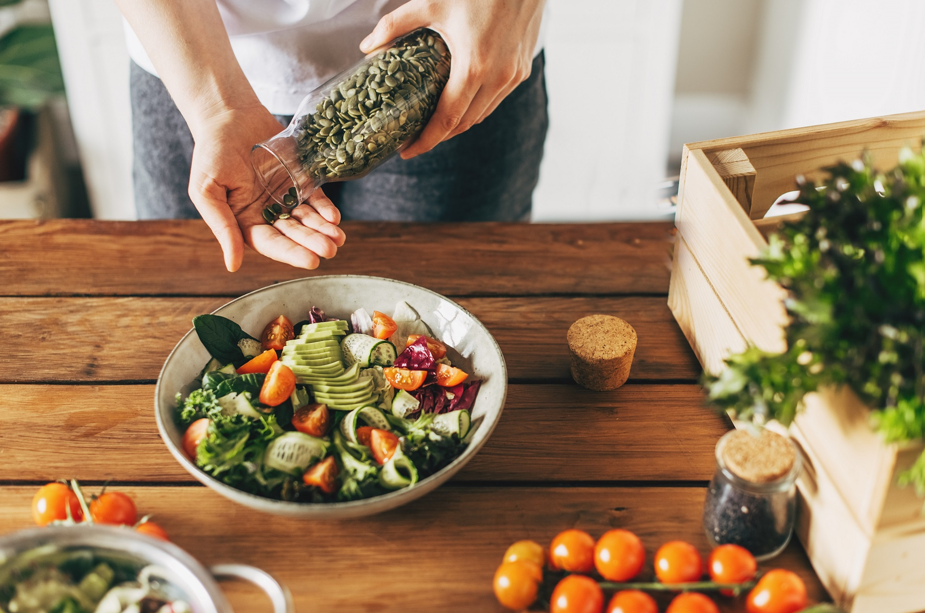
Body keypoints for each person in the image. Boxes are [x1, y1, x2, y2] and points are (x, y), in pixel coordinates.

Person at [117, 0, 549, 272]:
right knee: (204, 311)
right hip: (187, 54)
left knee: (451, 309)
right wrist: (216, 107)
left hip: (459, 50)